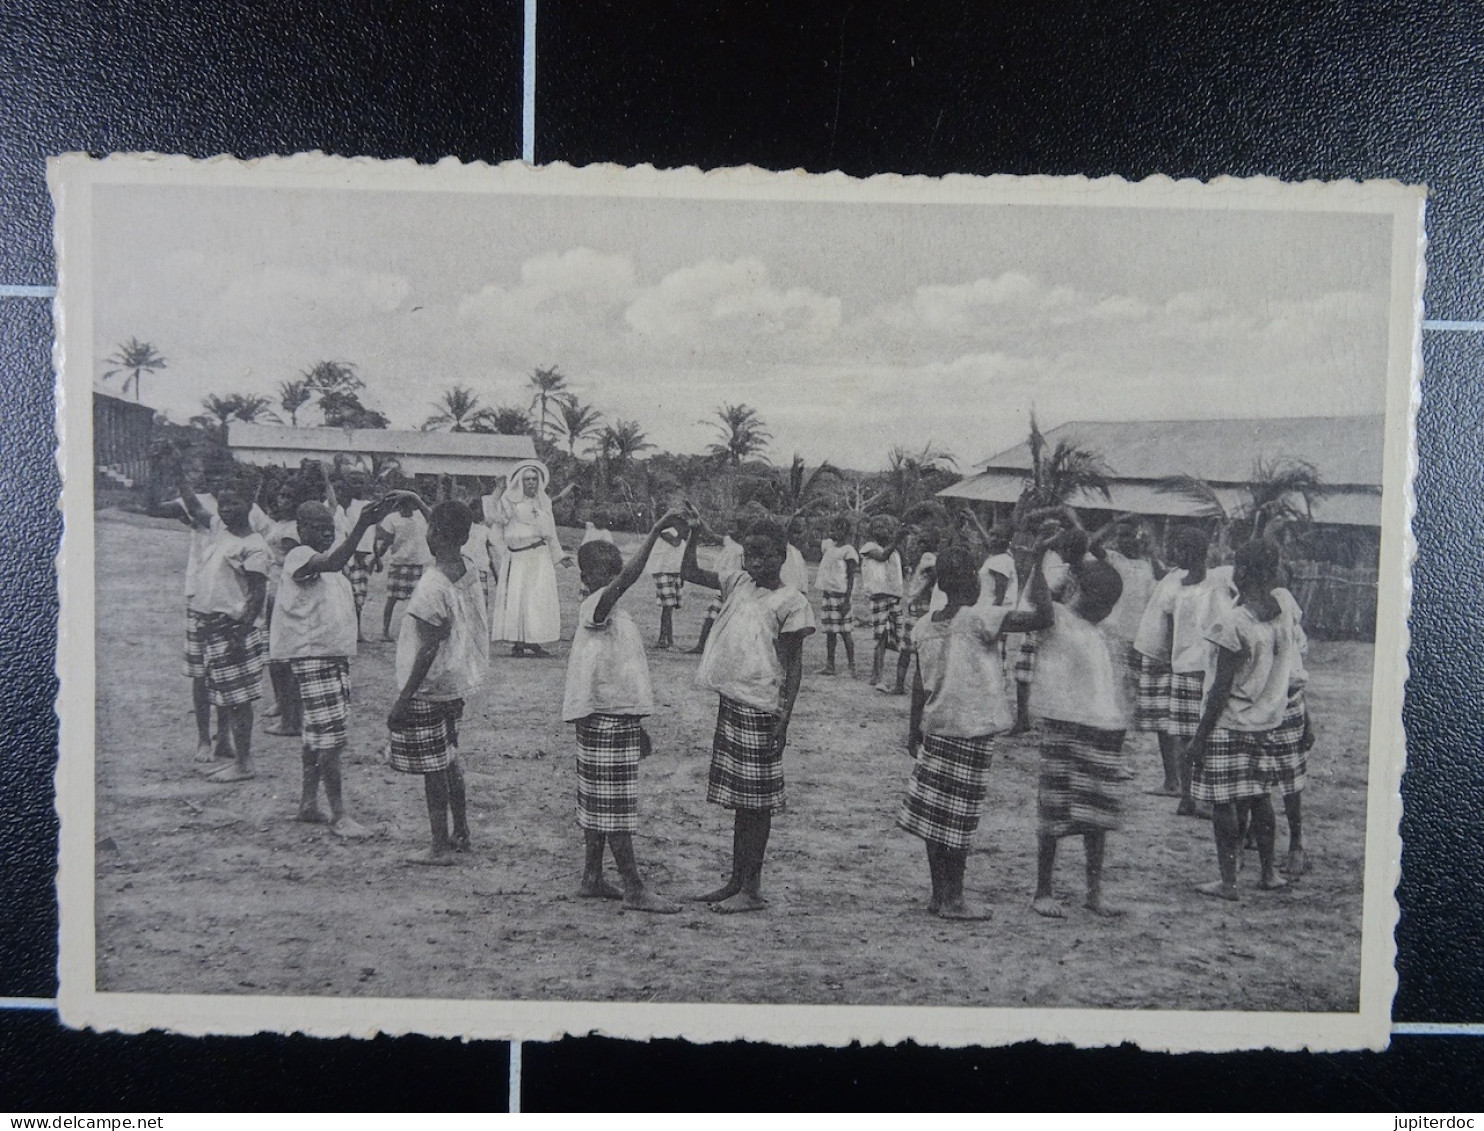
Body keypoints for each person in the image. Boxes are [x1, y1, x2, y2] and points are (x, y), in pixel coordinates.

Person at [899, 544, 1049, 919]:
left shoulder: (923, 625)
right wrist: (1038, 562)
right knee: (960, 818)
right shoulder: (978, 618)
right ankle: (955, 899)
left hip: (936, 726)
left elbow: (919, 683)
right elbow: (1041, 617)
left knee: (937, 817)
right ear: (972, 579)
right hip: (970, 728)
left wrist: (913, 727)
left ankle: (939, 895)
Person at [681, 514, 816, 913]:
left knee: (757, 804)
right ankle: (736, 880)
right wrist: (692, 533)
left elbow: (793, 666)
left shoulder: (792, 602)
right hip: (733, 702)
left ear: (782, 556)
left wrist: (784, 718)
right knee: (742, 801)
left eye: (763, 555)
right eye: (748, 554)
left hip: (762, 708)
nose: (753, 562)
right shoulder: (737, 583)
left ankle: (752, 889)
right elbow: (688, 570)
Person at [562, 511, 691, 913]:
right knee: (612, 806)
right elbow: (627, 581)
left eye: (613, 572)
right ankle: (633, 886)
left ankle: (592, 876)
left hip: (613, 718)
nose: (614, 579)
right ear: (587, 580)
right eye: (607, 575)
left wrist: (638, 726)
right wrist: (654, 531)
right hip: (604, 720)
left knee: (600, 802)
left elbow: (621, 677)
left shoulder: (617, 618)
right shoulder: (595, 608)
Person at [1184, 540, 1309, 900]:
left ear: (1242, 571)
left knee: (1224, 802)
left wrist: (1198, 739)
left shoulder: (1233, 624)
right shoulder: (1283, 607)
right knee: (1259, 798)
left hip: (1230, 722)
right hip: (1267, 720)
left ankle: (1228, 882)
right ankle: (1268, 873)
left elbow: (1220, 689)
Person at [272, 494, 402, 836]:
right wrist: (362, 524)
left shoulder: (328, 565)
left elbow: (334, 562)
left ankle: (309, 803)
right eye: (316, 528)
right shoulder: (300, 556)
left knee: (317, 736)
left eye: (329, 528)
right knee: (330, 738)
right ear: (300, 530)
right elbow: (330, 562)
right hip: (315, 658)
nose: (325, 533)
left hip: (330, 658)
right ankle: (340, 814)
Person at [387, 499, 490, 865]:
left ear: (437, 534)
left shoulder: (431, 586)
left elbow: (427, 648)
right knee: (449, 759)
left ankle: (438, 845)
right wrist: (421, 504)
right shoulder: (468, 567)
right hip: (455, 681)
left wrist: (403, 698)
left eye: (430, 526)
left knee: (433, 768)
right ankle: (460, 830)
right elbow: (448, 529)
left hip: (428, 688)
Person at [1027, 555, 1130, 918]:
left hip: (1101, 727)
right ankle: (1043, 890)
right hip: (1064, 725)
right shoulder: (1057, 618)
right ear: (1082, 593)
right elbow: (1038, 598)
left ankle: (1094, 891)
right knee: (1054, 813)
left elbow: (1110, 686)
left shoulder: (1099, 632)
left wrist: (1119, 723)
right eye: (1101, 604)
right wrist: (1035, 559)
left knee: (1098, 816)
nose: (1105, 611)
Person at [178, 473, 269, 784]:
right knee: (225, 693)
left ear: (250, 505)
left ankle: (244, 763)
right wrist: (177, 471)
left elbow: (258, 593)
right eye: (223, 503)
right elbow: (194, 507)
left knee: (238, 698)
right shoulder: (219, 528)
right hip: (210, 623)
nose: (226, 509)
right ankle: (233, 754)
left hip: (232, 628)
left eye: (234, 503)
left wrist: (241, 633)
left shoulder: (254, 546)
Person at [1150, 527, 1234, 815]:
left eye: (1184, 549)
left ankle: (1206, 795)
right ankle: (1187, 796)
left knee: (1206, 733)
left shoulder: (1216, 585)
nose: (1177, 555)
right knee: (1184, 733)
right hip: (1183, 666)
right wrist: (1170, 658)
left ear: (1197, 552)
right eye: (1177, 548)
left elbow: (1223, 625)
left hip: (1207, 666)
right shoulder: (1175, 586)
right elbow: (1171, 626)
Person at [489, 460, 572, 657]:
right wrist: (505, 552)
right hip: (517, 557)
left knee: (537, 599)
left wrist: (560, 556)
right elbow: (497, 524)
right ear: (520, 481)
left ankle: (534, 641)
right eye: (527, 479)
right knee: (518, 599)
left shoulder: (544, 503)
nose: (531, 483)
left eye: (535, 479)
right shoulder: (509, 501)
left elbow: (551, 533)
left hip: (540, 556)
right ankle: (518, 642)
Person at [374, 493, 432, 642]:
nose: (409, 507)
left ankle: (415, 632)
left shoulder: (420, 516)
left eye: (412, 503)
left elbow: (432, 517)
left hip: (416, 563)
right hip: (399, 563)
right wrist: (376, 558)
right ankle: (385, 631)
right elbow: (386, 542)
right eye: (405, 503)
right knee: (392, 599)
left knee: (417, 600)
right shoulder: (392, 519)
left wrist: (417, 499)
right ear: (399, 504)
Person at [890, 527, 940, 695]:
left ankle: (901, 685)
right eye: (920, 542)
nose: (920, 545)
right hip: (919, 608)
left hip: (920, 609)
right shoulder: (922, 560)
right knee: (915, 651)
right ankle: (912, 686)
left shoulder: (928, 557)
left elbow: (933, 572)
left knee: (909, 650)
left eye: (924, 542)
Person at [859, 516, 904, 690]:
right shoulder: (869, 547)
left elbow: (895, 573)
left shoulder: (894, 551)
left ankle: (876, 673)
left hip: (892, 596)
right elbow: (882, 557)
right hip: (879, 596)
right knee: (881, 637)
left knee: (892, 636)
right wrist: (897, 539)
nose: (881, 529)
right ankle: (876, 676)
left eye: (885, 527)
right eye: (877, 527)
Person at [686, 525, 744, 654]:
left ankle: (708, 645)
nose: (730, 530)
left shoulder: (745, 549)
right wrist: (699, 521)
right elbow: (710, 534)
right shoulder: (730, 542)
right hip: (723, 583)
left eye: (735, 528)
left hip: (735, 586)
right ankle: (702, 645)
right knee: (711, 615)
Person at [813, 516, 859, 676]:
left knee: (845, 632)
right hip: (829, 595)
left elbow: (851, 577)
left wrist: (847, 600)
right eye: (830, 529)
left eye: (835, 529)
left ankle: (851, 667)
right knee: (830, 633)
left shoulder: (848, 551)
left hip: (841, 597)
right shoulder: (828, 546)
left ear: (844, 532)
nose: (831, 532)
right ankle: (830, 665)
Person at [647, 516, 688, 649]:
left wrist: (682, 576)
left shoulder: (681, 539)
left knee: (668, 609)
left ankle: (662, 639)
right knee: (668, 607)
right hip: (663, 572)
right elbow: (675, 542)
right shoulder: (665, 531)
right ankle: (669, 641)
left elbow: (681, 558)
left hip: (674, 573)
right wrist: (683, 533)